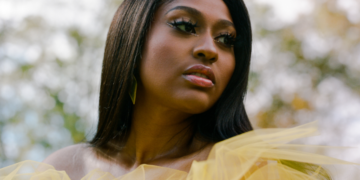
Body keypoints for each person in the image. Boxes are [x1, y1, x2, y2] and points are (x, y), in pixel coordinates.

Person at [1, 0, 358, 179]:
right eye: (186, 25)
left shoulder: (251, 171)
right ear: (133, 37)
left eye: (227, 39)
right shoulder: (65, 168)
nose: (210, 49)